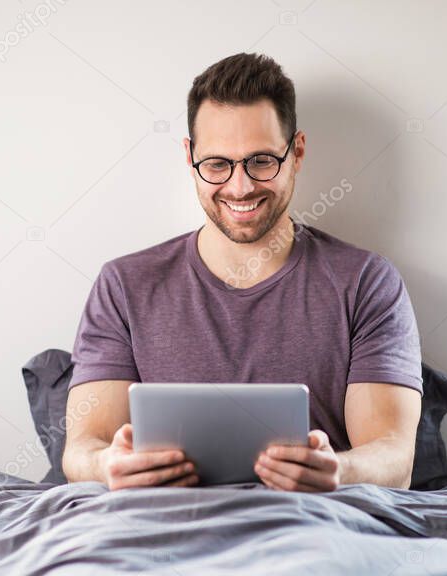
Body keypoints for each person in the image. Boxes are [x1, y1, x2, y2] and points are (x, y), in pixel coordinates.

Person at [62, 53, 422, 493]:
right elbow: (81, 449)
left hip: (316, 527)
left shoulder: (367, 283)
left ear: (297, 153)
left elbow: (394, 457)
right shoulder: (123, 286)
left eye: (261, 161)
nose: (240, 187)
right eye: (217, 164)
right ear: (190, 157)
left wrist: (340, 471)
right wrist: (105, 465)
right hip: (163, 529)